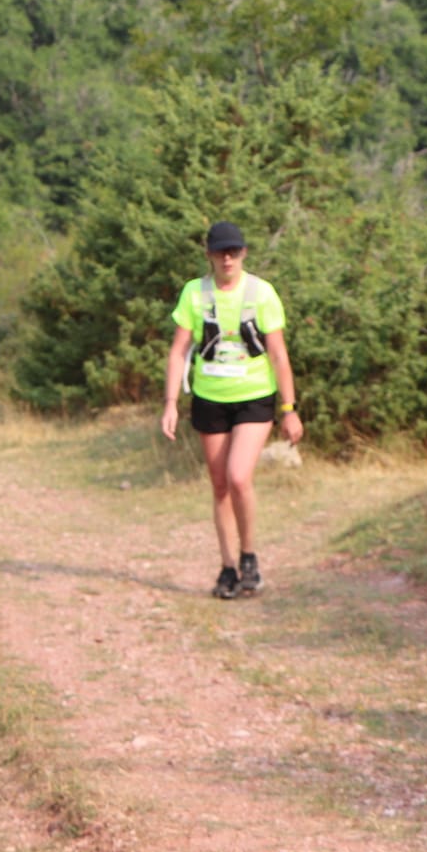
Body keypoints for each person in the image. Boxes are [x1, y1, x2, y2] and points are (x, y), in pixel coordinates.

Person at [161, 221, 303, 599]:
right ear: (208, 254)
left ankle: (249, 556)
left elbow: (278, 354)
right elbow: (178, 351)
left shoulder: (261, 293)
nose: (228, 258)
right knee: (220, 484)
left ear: (243, 253)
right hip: (210, 397)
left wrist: (289, 409)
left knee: (239, 477)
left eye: (234, 251)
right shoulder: (194, 293)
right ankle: (227, 568)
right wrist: (171, 403)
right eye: (220, 252)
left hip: (255, 397)